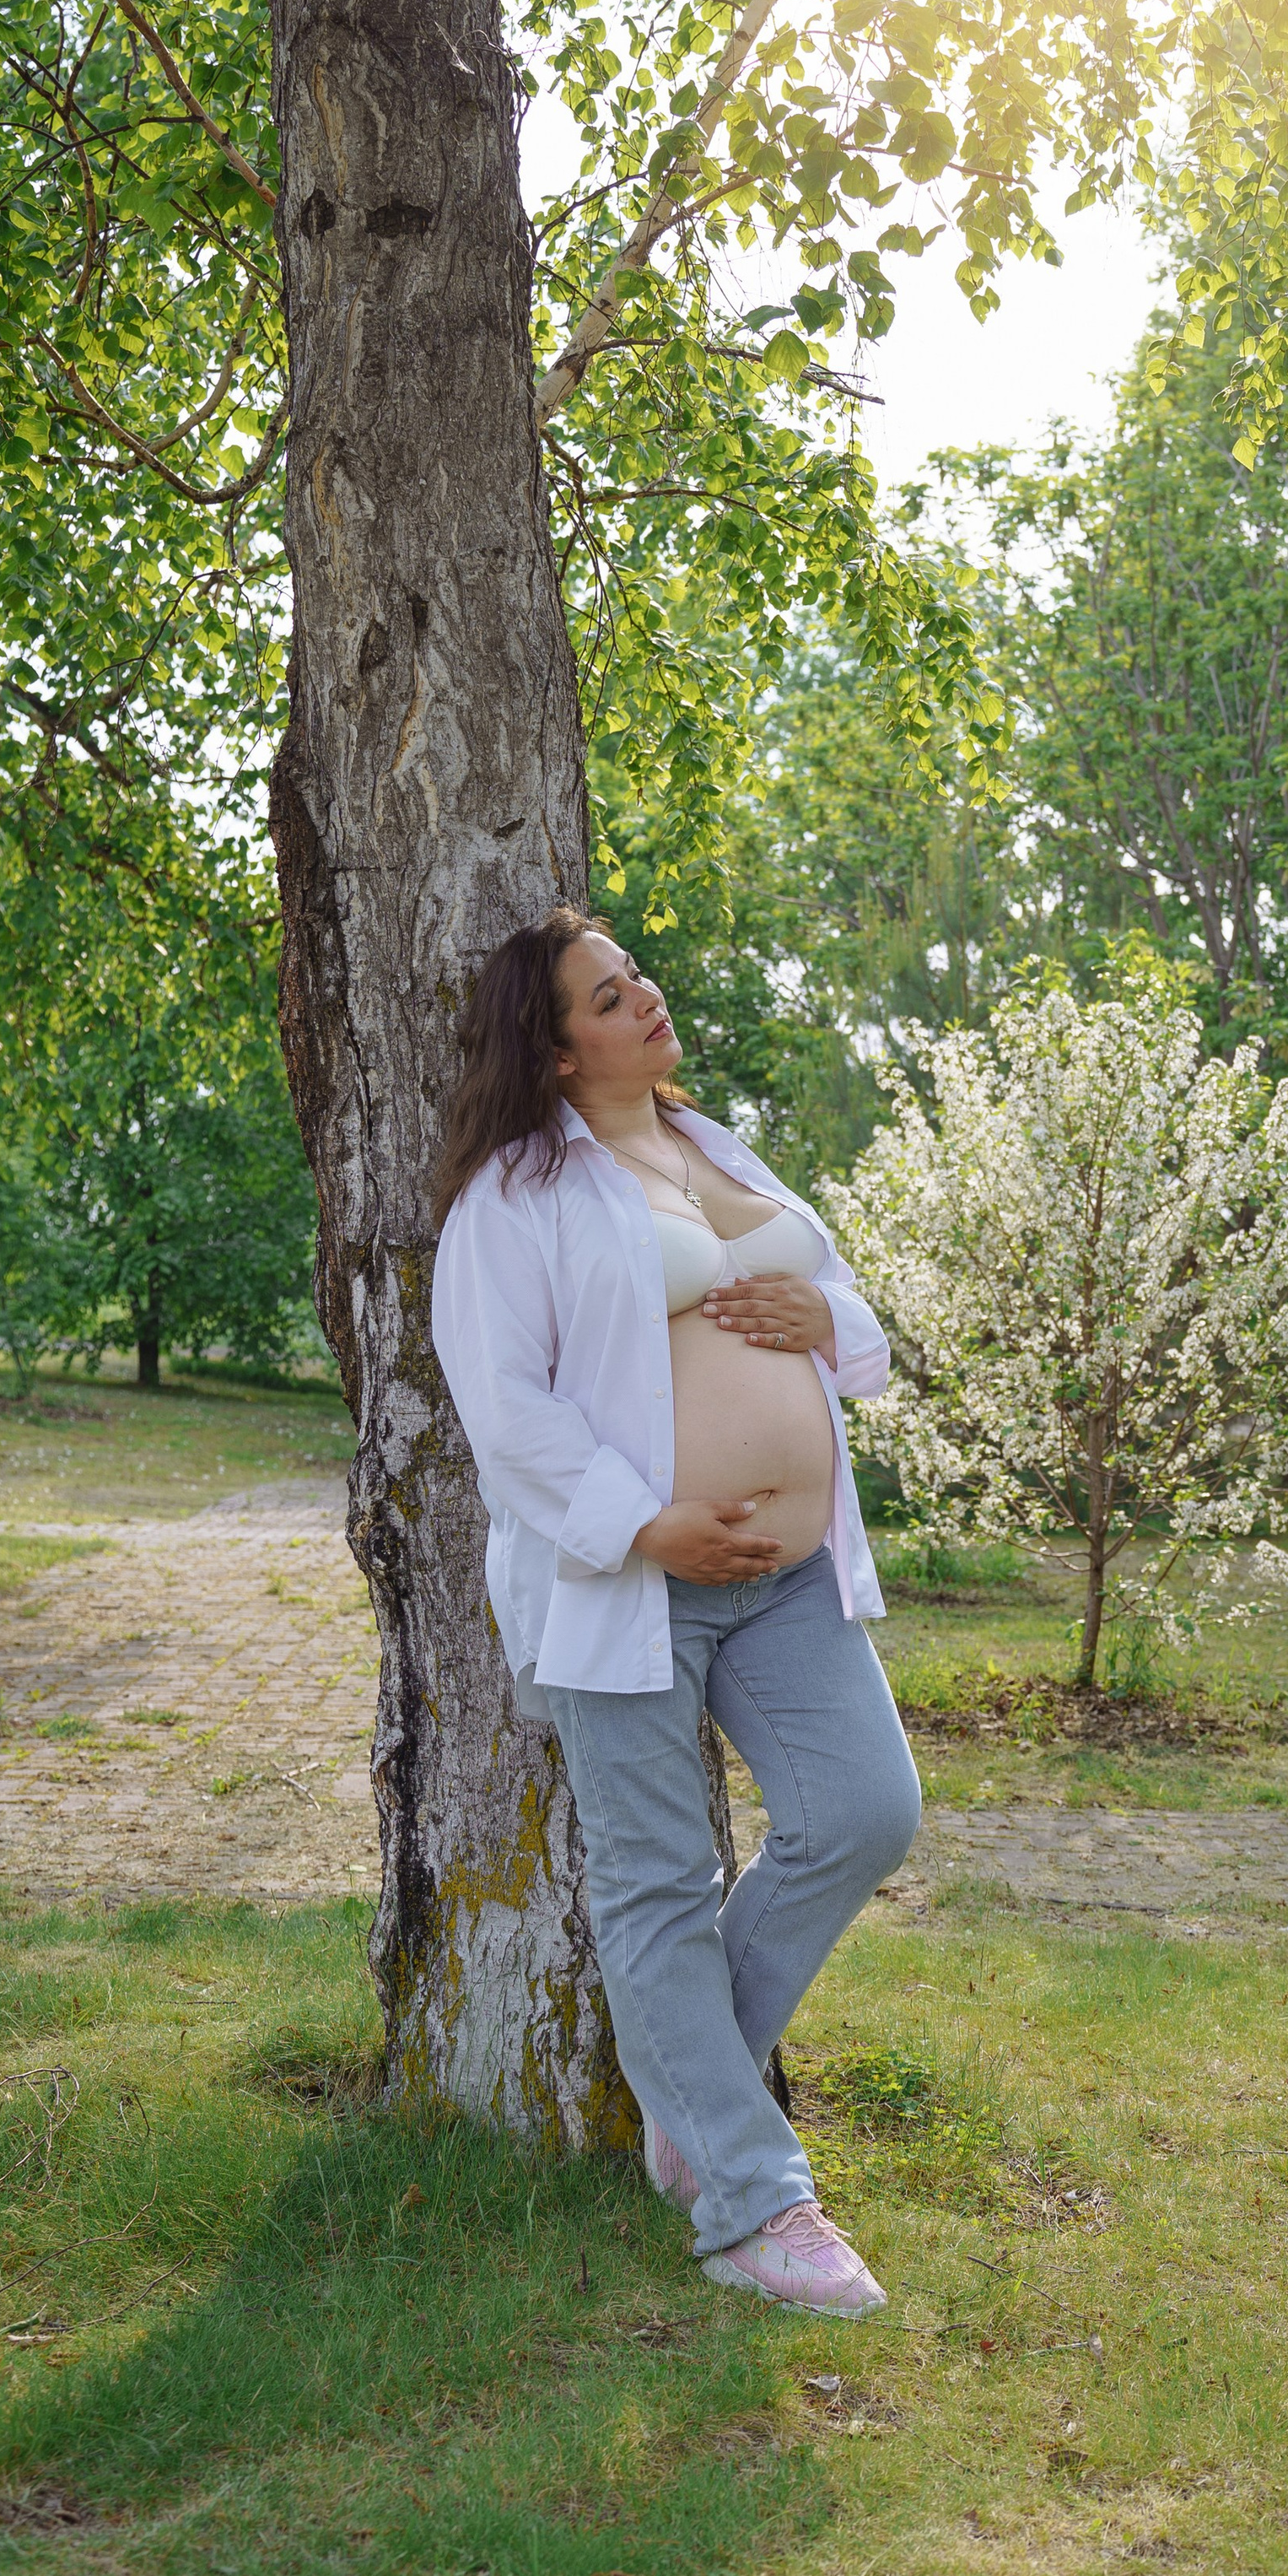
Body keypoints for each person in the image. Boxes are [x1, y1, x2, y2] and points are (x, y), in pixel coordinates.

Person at [430, 905, 920, 2314]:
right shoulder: (514, 1198)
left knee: (866, 1816)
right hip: (629, 1587)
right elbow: (502, 1407)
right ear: (556, 1050)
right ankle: (756, 2204)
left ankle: (691, 2101)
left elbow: (840, 1312)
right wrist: (640, 1524)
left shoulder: (716, 1148)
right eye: (606, 995)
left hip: (788, 1577)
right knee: (652, 1886)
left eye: (638, 974)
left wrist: (837, 1327)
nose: (644, 998)